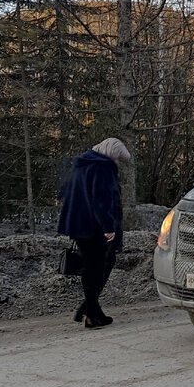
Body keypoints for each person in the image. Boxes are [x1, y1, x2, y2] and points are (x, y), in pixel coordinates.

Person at [57, 137, 131, 328]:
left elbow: (63, 192)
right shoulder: (102, 167)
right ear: (109, 153)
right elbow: (102, 200)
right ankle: (90, 312)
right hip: (94, 226)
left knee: (94, 266)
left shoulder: (81, 164)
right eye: (116, 158)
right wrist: (109, 228)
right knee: (97, 267)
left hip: (77, 223)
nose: (116, 163)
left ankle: (90, 309)